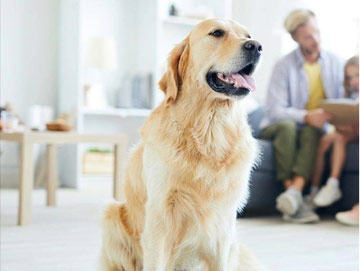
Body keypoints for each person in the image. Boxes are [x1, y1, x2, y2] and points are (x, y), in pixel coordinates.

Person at [260, 9, 344, 223]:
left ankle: (293, 196)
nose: (315, 39)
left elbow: (342, 99)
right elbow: (274, 110)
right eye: (307, 36)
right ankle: (294, 195)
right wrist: (306, 116)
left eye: (316, 32)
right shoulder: (283, 65)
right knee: (289, 128)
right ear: (295, 38)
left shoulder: (335, 62)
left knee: (312, 131)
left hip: (313, 128)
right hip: (278, 126)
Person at [310, 56, 359, 226]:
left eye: (357, 75)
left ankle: (332, 186)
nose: (353, 81)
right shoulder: (351, 96)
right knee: (326, 139)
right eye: (350, 77)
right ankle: (316, 191)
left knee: (339, 138)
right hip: (350, 131)